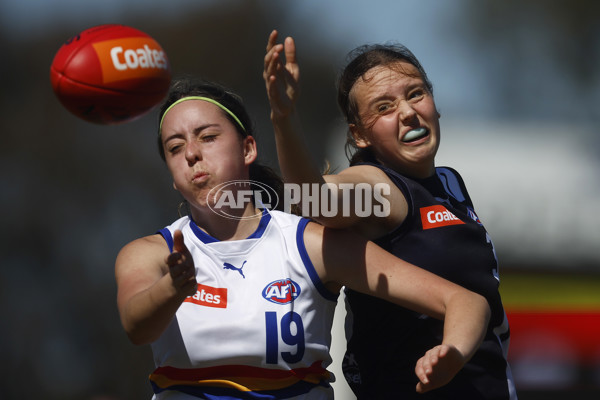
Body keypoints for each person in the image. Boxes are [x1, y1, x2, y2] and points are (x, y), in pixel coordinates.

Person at [115, 77, 491, 400]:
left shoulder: (307, 244)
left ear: (248, 148)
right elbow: (136, 327)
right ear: (170, 171)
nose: (192, 154)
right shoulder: (151, 253)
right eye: (175, 148)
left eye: (208, 137)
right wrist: (172, 287)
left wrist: (452, 354)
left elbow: (465, 302)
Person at [263, 30, 517, 399]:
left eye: (416, 93)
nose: (408, 111)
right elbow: (315, 201)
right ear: (359, 135)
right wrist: (283, 119)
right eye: (383, 107)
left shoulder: (450, 183)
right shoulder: (382, 191)